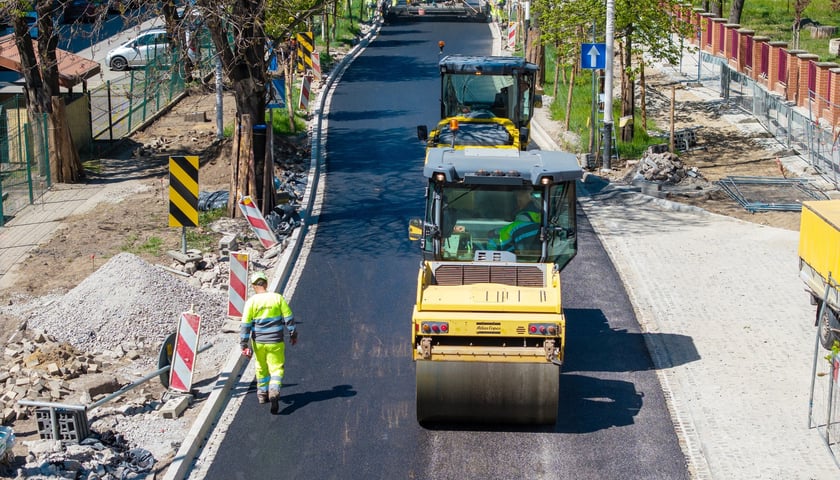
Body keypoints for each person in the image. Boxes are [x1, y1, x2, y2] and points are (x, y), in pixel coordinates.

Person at [240, 271, 298, 414]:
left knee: (260, 366)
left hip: (259, 342)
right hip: (276, 341)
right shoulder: (277, 298)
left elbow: (246, 324)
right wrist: (293, 334)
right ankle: (274, 390)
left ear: (254, 286)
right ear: (266, 283)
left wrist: (244, 344)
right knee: (277, 367)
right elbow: (288, 318)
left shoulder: (251, 302)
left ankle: (262, 394)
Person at [489, 189, 541, 253]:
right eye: (517, 196)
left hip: (524, 252)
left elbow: (517, 229)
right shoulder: (538, 209)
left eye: (520, 196)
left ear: (528, 195)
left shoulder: (524, 216)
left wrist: (495, 232)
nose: (518, 199)